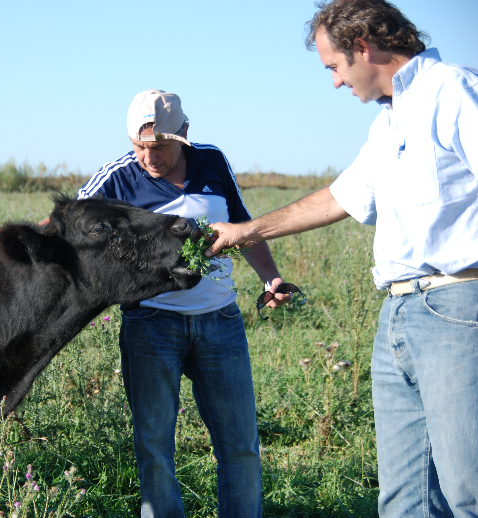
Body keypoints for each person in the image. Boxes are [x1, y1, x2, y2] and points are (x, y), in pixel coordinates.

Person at [205, 1, 478, 515]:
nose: (334, 82)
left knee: (469, 490)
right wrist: (246, 230)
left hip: (457, 307)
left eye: (334, 66)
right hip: (397, 312)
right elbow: (338, 199)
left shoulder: (455, 90)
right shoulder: (388, 124)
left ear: (363, 47)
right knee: (404, 498)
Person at [76, 89, 292, 518]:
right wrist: (12, 234)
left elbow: (242, 225)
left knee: (240, 445)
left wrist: (271, 277)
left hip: (220, 323)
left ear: (184, 134)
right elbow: (67, 218)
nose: (148, 158)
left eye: (159, 147)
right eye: (139, 147)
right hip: (151, 325)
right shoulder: (119, 176)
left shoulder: (212, 161)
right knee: (155, 447)